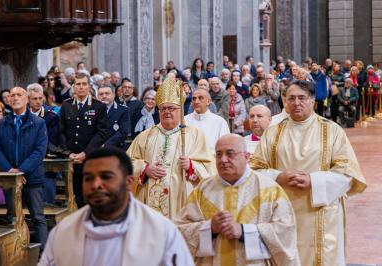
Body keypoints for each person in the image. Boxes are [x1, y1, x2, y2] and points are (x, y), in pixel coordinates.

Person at [250, 80, 367, 266]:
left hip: (321, 212)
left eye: (302, 98)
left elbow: (348, 173)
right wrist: (278, 176)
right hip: (281, 212)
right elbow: (253, 171)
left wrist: (314, 181)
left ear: (313, 101)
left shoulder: (332, 130)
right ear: (285, 102)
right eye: (291, 98)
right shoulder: (272, 133)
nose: (296, 103)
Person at [38, 147, 194, 266]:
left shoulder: (162, 231)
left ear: (128, 182)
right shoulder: (64, 231)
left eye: (106, 177)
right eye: (88, 178)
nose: (96, 184)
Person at [175, 134, 300, 266]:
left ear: (246, 157)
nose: (223, 160)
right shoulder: (202, 190)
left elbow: (286, 234)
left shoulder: (270, 190)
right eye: (218, 154)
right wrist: (210, 228)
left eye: (230, 154)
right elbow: (180, 231)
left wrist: (244, 232)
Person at [127, 78, 216, 219]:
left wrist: (192, 166)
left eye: (172, 108)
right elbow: (126, 163)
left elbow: (210, 169)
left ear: (181, 110)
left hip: (181, 202)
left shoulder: (194, 135)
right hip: (149, 202)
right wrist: (144, 169)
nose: (167, 112)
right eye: (163, 108)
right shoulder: (145, 136)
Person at [0, 86, 48, 247]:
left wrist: (21, 170)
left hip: (32, 177)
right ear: (8, 100)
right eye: (12, 95)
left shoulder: (38, 122)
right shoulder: (3, 122)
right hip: (10, 177)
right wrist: (10, 170)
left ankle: (45, 255)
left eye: (19, 95)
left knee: (37, 216)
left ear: (26, 98)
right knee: (12, 216)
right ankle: (14, 254)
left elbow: (40, 150)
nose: (15, 98)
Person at [59, 72, 108, 208]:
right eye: (78, 84)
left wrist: (85, 153)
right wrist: (68, 153)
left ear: (89, 87)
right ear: (74, 87)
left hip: (90, 158)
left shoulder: (99, 106)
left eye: (84, 84)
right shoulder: (66, 105)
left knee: (92, 196)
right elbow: (61, 131)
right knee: (75, 197)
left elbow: (101, 133)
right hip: (72, 159)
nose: (81, 87)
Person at [27, 83, 61, 204]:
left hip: (45, 158)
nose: (38, 101)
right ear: (28, 99)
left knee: (46, 199)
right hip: (25, 160)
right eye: (34, 98)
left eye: (40, 98)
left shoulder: (51, 116)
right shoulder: (22, 116)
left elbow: (51, 141)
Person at [185, 89, 230, 153]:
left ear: (208, 102)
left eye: (200, 98)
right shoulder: (184, 121)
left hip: (212, 161)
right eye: (194, 99)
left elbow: (225, 146)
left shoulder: (220, 122)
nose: (196, 101)